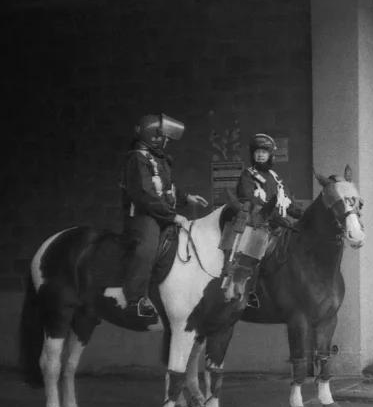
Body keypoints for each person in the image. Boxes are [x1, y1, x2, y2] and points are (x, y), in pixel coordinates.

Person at [121, 114, 208, 318]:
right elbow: (145, 195)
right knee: (147, 248)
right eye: (165, 137)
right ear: (154, 137)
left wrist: (187, 197)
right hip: (145, 216)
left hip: (161, 214)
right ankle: (136, 299)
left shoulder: (157, 158)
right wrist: (173, 216)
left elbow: (165, 188)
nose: (167, 141)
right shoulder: (136, 159)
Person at [220, 133, 302, 305]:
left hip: (280, 225)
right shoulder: (247, 175)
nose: (260, 155)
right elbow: (249, 198)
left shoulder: (276, 178)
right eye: (257, 151)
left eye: (264, 152)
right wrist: (274, 216)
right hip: (258, 222)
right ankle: (245, 289)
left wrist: (303, 215)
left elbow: (291, 205)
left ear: (270, 155)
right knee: (257, 245)